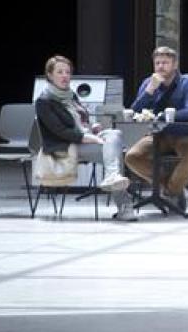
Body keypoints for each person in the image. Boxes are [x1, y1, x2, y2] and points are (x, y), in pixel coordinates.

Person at [35, 55, 135, 221]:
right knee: (113, 154)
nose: (65, 76)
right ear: (50, 75)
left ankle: (113, 179)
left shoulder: (71, 96)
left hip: (83, 138)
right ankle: (125, 205)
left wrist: (92, 127)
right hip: (65, 145)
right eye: (60, 72)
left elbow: (82, 120)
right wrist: (86, 137)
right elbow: (59, 131)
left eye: (67, 72)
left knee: (114, 135)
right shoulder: (44, 101)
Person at [124, 46, 188, 213]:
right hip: (158, 135)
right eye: (157, 63)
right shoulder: (149, 83)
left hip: (187, 134)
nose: (160, 66)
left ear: (174, 65)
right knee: (132, 157)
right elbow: (135, 111)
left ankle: (170, 191)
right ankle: (172, 188)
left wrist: (164, 116)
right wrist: (149, 90)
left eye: (165, 63)